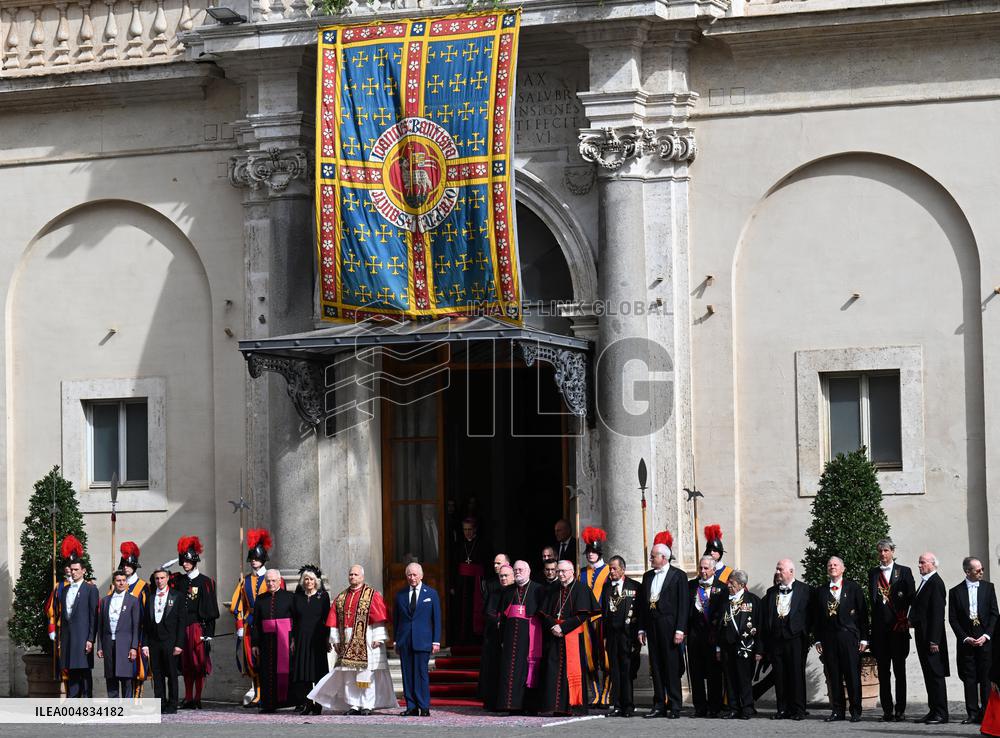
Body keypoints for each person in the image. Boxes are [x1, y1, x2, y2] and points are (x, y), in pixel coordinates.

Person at [310, 564, 395, 715]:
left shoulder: (372, 595)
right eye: (351, 574)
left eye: (356, 575)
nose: (353, 577)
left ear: (362, 577)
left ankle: (367, 705)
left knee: (367, 674)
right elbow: (334, 622)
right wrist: (335, 640)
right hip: (347, 641)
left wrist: (379, 637)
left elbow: (379, 618)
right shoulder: (341, 597)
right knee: (349, 675)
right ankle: (354, 704)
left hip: (367, 638)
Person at [636, 531, 688, 719]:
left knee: (671, 666)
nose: (650, 558)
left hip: (670, 625)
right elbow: (642, 604)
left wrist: (680, 629)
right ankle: (659, 703)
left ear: (664, 558)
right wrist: (641, 628)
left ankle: (675, 705)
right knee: (656, 666)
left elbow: (683, 605)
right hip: (652, 625)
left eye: (653, 556)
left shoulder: (678, 575)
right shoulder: (647, 576)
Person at [539, 559, 599, 715]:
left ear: (572, 572)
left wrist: (563, 627)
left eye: (563, 571)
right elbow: (544, 613)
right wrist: (553, 626)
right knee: (554, 670)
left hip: (572, 636)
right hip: (554, 635)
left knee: (571, 670)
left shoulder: (581, 589)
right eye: (558, 571)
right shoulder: (553, 589)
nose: (560, 574)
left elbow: (583, 614)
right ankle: (555, 706)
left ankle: (573, 706)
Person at [812, 556, 868, 723]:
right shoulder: (820, 591)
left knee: (852, 674)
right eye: (829, 565)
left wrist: (864, 639)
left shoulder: (853, 588)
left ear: (843, 569)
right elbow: (816, 618)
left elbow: (863, 615)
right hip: (829, 639)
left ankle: (856, 711)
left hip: (848, 637)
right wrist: (817, 639)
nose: (832, 567)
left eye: (836, 565)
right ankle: (837, 711)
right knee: (834, 676)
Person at [867, 537, 915, 722]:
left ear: (892, 552)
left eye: (886, 551)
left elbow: (911, 598)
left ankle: (900, 710)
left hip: (898, 629)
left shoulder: (904, 572)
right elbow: (873, 601)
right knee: (883, 673)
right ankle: (887, 710)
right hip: (880, 633)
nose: (883, 554)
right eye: (880, 551)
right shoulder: (873, 573)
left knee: (899, 672)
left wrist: (906, 620)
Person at [230, 528, 275, 707]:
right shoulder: (245, 581)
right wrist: (239, 625)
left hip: (268, 625)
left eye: (257, 559)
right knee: (252, 661)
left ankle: (268, 693)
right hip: (250, 624)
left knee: (267, 660)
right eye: (252, 559)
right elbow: (237, 605)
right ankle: (257, 693)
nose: (254, 562)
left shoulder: (272, 578)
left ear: (263, 559)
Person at [762, 558, 810, 721]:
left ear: (791, 571)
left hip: (795, 639)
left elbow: (811, 615)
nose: (777, 572)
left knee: (796, 674)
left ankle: (798, 709)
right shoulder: (771, 592)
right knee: (779, 675)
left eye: (780, 569)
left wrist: (805, 632)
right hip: (776, 639)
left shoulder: (805, 590)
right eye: (776, 569)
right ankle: (782, 709)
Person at [950, 557, 997, 724]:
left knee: (985, 678)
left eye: (982, 568)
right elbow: (953, 619)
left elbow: (994, 614)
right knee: (969, 678)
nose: (982, 572)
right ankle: (972, 713)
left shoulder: (988, 588)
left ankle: (986, 713)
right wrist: (965, 638)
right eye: (978, 570)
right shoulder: (955, 592)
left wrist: (987, 636)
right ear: (967, 571)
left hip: (985, 640)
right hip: (967, 641)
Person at [175, 536, 219, 709]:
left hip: (198, 628)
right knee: (185, 665)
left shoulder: (205, 582)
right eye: (183, 561)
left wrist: (209, 633)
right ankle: (187, 697)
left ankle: (197, 698)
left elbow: (210, 610)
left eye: (187, 561)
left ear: (194, 561)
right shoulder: (179, 581)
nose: (184, 564)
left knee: (198, 664)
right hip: (182, 628)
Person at [52, 535, 98, 698]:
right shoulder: (64, 589)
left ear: (84, 571)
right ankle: (73, 701)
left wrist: (91, 639)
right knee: (71, 669)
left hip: (83, 636)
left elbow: (93, 616)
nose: (73, 572)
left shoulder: (90, 589)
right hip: (69, 636)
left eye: (76, 569)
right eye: (71, 570)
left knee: (84, 671)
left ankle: (86, 702)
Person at [496, 560, 544, 713]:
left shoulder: (538, 589)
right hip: (511, 638)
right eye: (515, 570)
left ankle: (530, 707)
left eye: (521, 570)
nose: (517, 572)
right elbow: (502, 617)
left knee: (528, 670)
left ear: (528, 571)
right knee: (511, 671)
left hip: (529, 636)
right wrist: (502, 638)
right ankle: (512, 706)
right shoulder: (509, 591)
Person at [393, 562, 441, 717]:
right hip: (405, 641)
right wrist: (395, 641)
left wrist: (436, 641)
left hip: (423, 640)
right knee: (407, 675)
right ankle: (411, 706)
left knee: (421, 674)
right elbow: (397, 620)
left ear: (421, 575)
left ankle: (424, 706)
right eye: (409, 575)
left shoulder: (431, 594)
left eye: (414, 575)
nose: (412, 578)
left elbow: (437, 619)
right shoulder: (400, 595)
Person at [717, 569, 762, 720]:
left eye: (732, 583)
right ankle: (733, 708)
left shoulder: (753, 600)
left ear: (742, 585)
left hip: (745, 647)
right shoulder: (724, 600)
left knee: (744, 678)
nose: (728, 585)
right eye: (728, 582)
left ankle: (747, 708)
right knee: (729, 679)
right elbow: (718, 625)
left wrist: (759, 650)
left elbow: (760, 626)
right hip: (727, 646)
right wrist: (718, 646)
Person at [688, 555, 727, 718]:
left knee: (714, 673)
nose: (702, 571)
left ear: (713, 569)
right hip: (694, 635)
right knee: (695, 672)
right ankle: (699, 707)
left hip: (713, 635)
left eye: (706, 568)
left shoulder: (722, 588)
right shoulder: (690, 586)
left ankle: (714, 707)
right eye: (701, 568)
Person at [142, 568, 185, 714]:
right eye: (157, 578)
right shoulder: (151, 597)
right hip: (154, 641)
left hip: (170, 641)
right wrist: (146, 643)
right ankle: (160, 704)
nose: (159, 581)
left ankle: (172, 704)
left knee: (172, 675)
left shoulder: (177, 596)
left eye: (162, 578)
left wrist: (179, 644)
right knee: (157, 674)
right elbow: (146, 623)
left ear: (167, 578)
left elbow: (181, 622)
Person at [251, 569, 295, 713]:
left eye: (273, 580)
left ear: (279, 580)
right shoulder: (261, 598)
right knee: (267, 672)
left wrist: (293, 639)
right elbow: (256, 623)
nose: (270, 583)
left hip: (284, 640)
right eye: (268, 581)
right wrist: (255, 643)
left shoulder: (289, 597)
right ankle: (268, 704)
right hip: (266, 641)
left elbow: (295, 621)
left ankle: (285, 702)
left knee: (284, 670)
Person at [601, 555, 639, 718]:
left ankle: (628, 706)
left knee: (627, 671)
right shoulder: (607, 587)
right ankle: (616, 705)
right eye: (610, 568)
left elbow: (639, 612)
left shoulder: (635, 586)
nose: (611, 571)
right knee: (614, 671)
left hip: (627, 635)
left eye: (614, 568)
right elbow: (604, 611)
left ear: (623, 569)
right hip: (612, 635)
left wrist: (638, 633)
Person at [290, 565, 330, 715]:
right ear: (302, 581)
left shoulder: (323, 597)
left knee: (318, 673)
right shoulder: (297, 598)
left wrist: (327, 639)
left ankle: (318, 704)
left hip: (318, 639)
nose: (308, 581)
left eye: (311, 579)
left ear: (316, 581)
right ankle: (307, 704)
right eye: (306, 579)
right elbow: (293, 620)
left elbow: (327, 619)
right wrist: (292, 640)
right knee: (304, 673)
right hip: (301, 639)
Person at [579, 527, 611, 706]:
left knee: (605, 658)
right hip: (585, 621)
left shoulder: (608, 571)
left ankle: (606, 694)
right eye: (588, 552)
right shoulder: (582, 572)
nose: (590, 555)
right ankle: (596, 694)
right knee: (589, 659)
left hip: (602, 619)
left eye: (594, 551)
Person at [97, 569, 141, 698]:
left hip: (125, 644)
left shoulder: (133, 600)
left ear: (126, 582)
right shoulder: (105, 601)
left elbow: (136, 626)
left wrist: (134, 647)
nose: (121, 583)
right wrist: (100, 646)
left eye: (123, 580)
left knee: (126, 677)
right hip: (108, 643)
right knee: (111, 676)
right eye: (118, 581)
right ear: (114, 583)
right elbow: (100, 626)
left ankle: (126, 708)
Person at [115, 542, 149, 697]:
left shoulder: (143, 586)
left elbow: (147, 613)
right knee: (121, 668)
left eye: (129, 565)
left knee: (138, 669)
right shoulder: (116, 585)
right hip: (120, 633)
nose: (126, 568)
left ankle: (137, 698)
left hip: (138, 631)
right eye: (124, 565)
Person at [452, 517, 490, 645]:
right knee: (462, 610)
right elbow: (454, 564)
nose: (467, 532)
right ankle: (462, 638)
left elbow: (486, 564)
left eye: (469, 529)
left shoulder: (483, 544)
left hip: (477, 582)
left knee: (476, 609)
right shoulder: (458, 545)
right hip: (462, 583)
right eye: (465, 529)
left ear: (475, 529)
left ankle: (476, 638)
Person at [481, 563, 513, 711]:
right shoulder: (494, 593)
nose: (504, 578)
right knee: (494, 671)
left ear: (512, 577)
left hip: (513, 637)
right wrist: (498, 621)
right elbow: (489, 613)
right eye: (501, 576)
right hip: (495, 637)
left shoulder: (517, 592)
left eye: (506, 576)